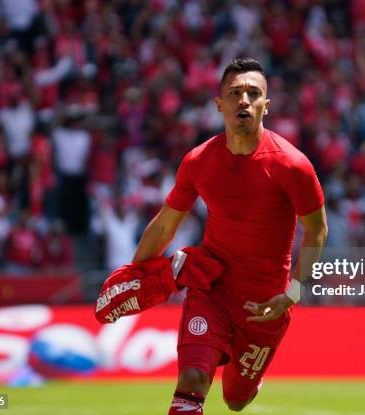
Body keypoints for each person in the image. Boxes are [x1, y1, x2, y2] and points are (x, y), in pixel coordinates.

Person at [132, 58, 327, 414]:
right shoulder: (198, 160)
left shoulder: (293, 165)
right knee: (191, 380)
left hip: (265, 305)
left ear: (266, 105)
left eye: (254, 93)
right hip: (211, 289)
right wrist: (135, 275)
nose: (244, 100)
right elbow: (164, 224)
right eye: (235, 93)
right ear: (219, 103)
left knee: (235, 400)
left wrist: (293, 293)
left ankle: (248, 382)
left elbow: (317, 230)